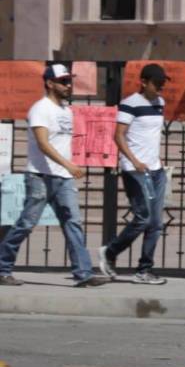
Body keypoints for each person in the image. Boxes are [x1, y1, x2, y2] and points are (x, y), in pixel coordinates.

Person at [0, 64, 108, 288]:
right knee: (26, 224)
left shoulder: (66, 111)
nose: (68, 85)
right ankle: (2, 268)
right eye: (63, 81)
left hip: (63, 179)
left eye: (69, 81)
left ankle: (83, 273)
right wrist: (69, 164)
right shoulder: (41, 109)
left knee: (73, 223)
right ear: (49, 83)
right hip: (40, 177)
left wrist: (68, 167)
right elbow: (42, 143)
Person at [99, 63, 170, 285]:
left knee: (156, 223)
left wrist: (155, 160)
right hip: (135, 170)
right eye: (156, 84)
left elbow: (150, 135)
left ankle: (144, 270)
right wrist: (135, 161)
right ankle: (110, 252)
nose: (160, 88)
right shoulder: (130, 104)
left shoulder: (160, 103)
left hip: (155, 169)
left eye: (162, 84)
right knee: (143, 218)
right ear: (143, 82)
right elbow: (119, 136)